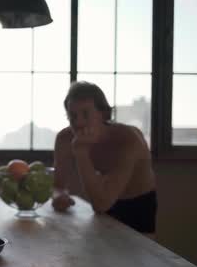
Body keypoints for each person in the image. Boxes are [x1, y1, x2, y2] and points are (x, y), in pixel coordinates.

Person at [51, 81, 157, 238]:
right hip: (102, 203)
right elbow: (57, 186)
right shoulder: (65, 138)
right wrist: (58, 196)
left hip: (138, 204)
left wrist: (81, 153)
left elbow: (101, 205)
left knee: (139, 259)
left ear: (104, 114)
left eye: (86, 114)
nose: (78, 123)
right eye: (72, 116)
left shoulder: (128, 139)